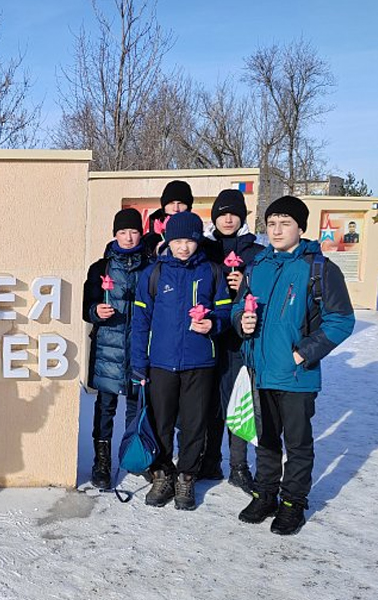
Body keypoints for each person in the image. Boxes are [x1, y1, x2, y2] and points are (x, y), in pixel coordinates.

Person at [233, 195, 354, 535]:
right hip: (260, 371)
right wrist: (240, 319)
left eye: (284, 223)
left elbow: (341, 321)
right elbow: (238, 307)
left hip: (297, 376)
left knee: (298, 443)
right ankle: (266, 493)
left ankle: (293, 502)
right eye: (271, 224)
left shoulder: (319, 269)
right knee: (267, 439)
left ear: (300, 227)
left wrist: (304, 352)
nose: (276, 230)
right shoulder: (257, 266)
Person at [131, 211, 231, 511]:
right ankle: (162, 473)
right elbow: (140, 322)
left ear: (198, 240)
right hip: (161, 363)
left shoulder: (212, 272)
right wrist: (139, 362)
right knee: (160, 423)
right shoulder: (153, 274)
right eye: (177, 241)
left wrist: (213, 323)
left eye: (189, 240)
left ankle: (186, 475)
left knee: (194, 424)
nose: (183, 247)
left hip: (199, 363)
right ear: (168, 241)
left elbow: (226, 313)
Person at [198, 189, 264, 491]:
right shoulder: (204, 249)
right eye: (222, 213)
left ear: (242, 217)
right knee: (209, 402)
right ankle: (209, 461)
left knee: (238, 401)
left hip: (238, 341)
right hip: (208, 336)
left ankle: (239, 465)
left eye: (233, 213)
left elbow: (264, 295)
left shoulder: (254, 251)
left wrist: (243, 286)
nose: (227, 218)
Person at [82, 208, 150, 489]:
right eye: (123, 232)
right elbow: (87, 307)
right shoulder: (100, 268)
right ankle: (101, 461)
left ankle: (134, 453)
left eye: (133, 231)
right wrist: (97, 310)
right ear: (115, 234)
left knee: (137, 404)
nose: (128, 237)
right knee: (105, 407)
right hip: (108, 349)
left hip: (138, 346)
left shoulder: (151, 266)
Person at [143, 180, 194, 257]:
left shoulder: (197, 237)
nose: (176, 209)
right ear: (164, 207)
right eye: (171, 203)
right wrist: (154, 254)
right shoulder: (148, 241)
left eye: (180, 203)